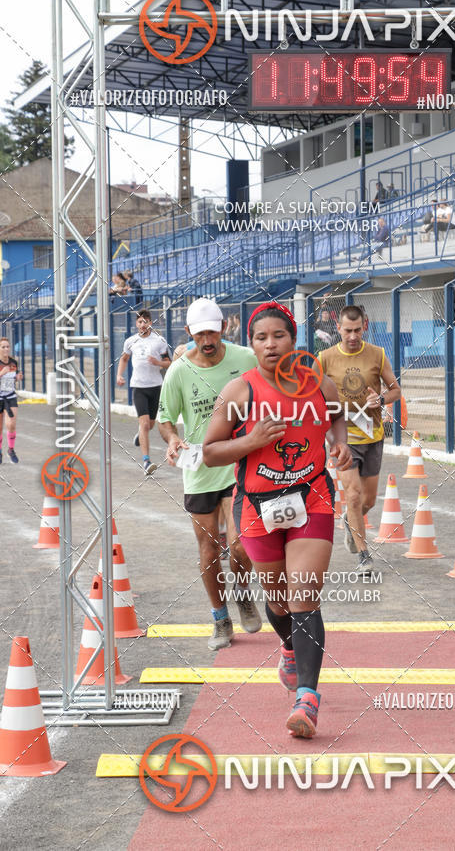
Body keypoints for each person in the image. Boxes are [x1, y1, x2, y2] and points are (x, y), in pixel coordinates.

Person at [203, 301, 352, 738]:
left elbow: (337, 414)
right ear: (250, 345)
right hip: (256, 505)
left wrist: (339, 445)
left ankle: (307, 700)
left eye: (279, 336)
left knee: (304, 594)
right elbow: (211, 451)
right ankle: (288, 646)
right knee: (280, 600)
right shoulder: (239, 392)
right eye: (261, 338)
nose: (270, 345)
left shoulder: (320, 386)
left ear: (294, 340)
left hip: (312, 499)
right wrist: (250, 440)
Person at [158, 297, 262, 651]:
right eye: (200, 333)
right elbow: (165, 418)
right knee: (207, 549)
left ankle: (243, 593)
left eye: (213, 332)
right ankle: (220, 618)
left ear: (224, 329)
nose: (207, 339)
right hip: (200, 469)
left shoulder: (245, 358)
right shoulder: (178, 371)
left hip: (239, 465)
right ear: (188, 333)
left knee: (240, 545)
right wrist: (173, 439)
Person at [317, 305, 403, 573]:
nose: (352, 336)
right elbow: (310, 394)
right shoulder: (325, 358)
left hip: (373, 434)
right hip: (343, 438)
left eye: (357, 330)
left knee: (368, 501)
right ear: (339, 329)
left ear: (364, 326)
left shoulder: (377, 354)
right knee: (352, 495)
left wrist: (381, 399)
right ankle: (364, 555)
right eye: (347, 331)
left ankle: (351, 521)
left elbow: (396, 391)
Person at [116, 310, 171, 476]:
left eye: (145, 321)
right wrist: (119, 374)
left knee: (151, 424)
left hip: (155, 386)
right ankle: (146, 461)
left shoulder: (159, 341)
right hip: (138, 387)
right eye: (139, 322)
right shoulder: (131, 341)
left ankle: (140, 435)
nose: (142, 324)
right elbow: (124, 358)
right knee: (145, 424)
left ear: (150, 323)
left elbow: (169, 363)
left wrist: (158, 362)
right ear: (136, 324)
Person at [0, 337, 22, 463]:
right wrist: (1, 373)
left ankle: (11, 450)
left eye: (7, 346)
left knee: (11, 425)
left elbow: (14, 377)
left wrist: (18, 377)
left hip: (10, 397)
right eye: (3, 347)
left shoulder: (14, 362)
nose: (6, 349)